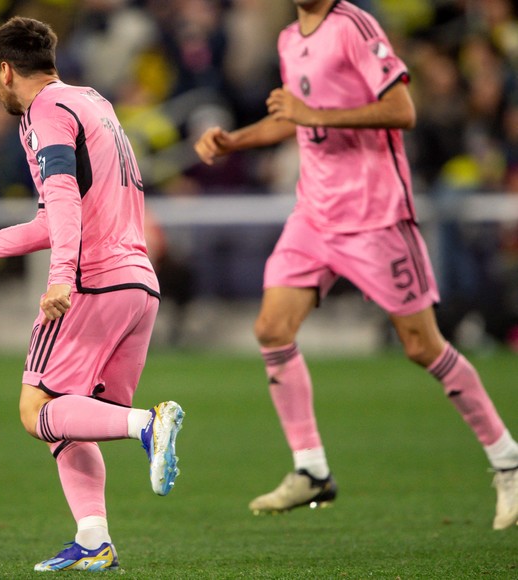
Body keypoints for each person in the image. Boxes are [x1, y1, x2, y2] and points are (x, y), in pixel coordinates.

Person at [194, 0, 518, 531]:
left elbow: (402, 110)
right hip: (314, 214)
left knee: (421, 345)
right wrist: (236, 140)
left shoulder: (354, 26)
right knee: (272, 328)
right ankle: (311, 469)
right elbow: (295, 121)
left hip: (375, 215)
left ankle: (508, 459)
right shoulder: (287, 38)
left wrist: (312, 114)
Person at [0, 16, 185, 571]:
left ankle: (148, 423)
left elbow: (64, 203)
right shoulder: (93, 101)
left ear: (3, 69)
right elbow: (55, 216)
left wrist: (60, 278)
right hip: (138, 283)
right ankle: (95, 540)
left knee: (36, 408)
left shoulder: (42, 112)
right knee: (73, 417)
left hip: (92, 281)